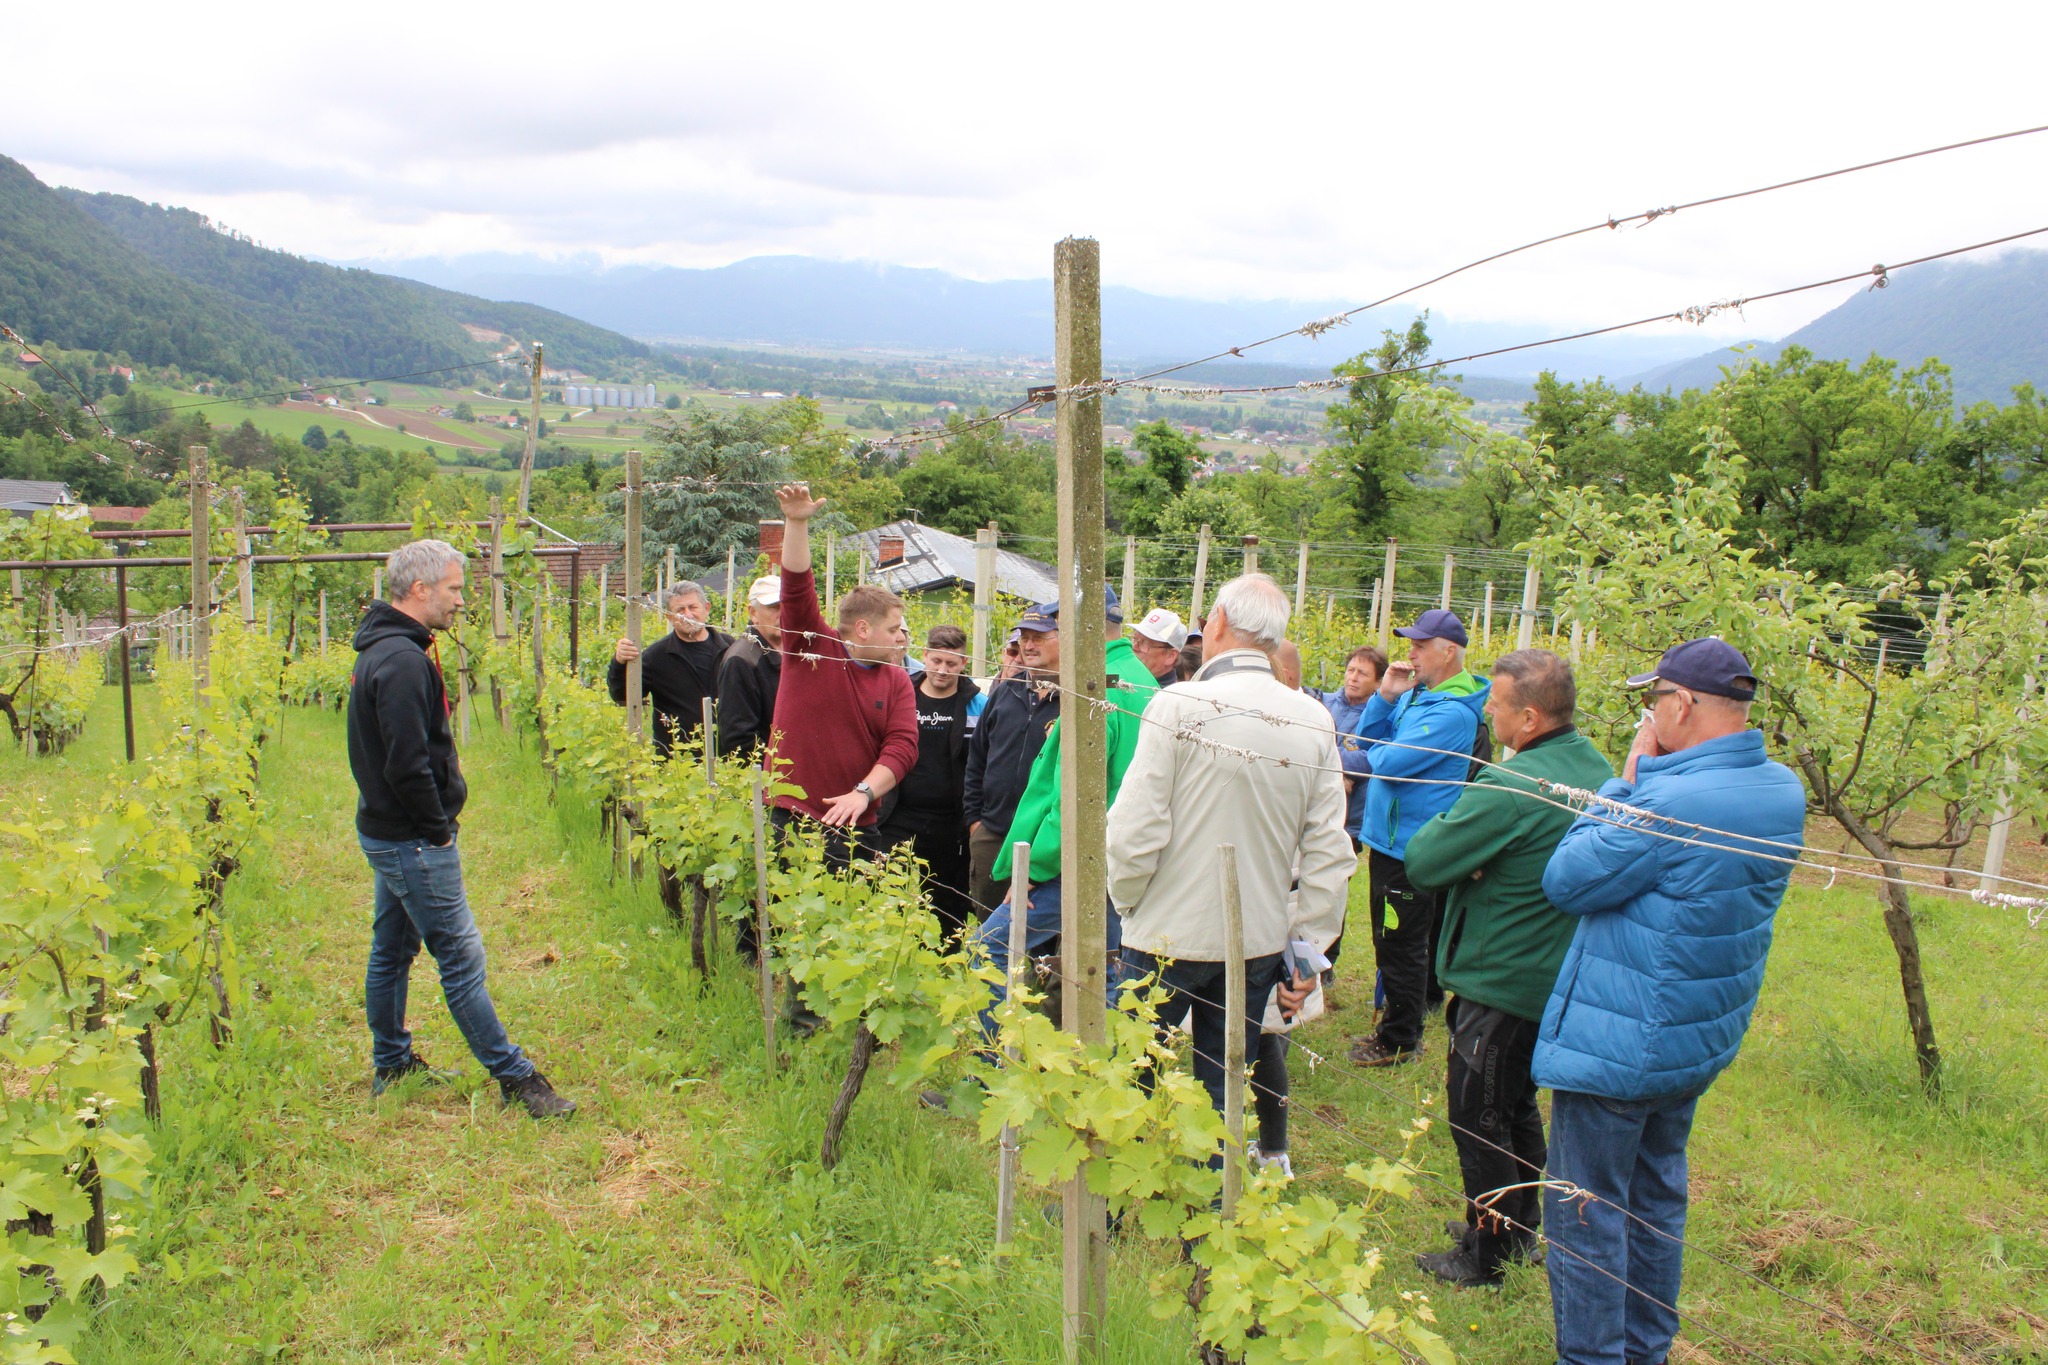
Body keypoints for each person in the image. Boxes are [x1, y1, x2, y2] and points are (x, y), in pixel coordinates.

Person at [1535, 639, 1803, 1365]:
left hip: (1619, 1042)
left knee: (1584, 1207)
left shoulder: (1667, 798)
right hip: (1694, 1034)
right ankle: (1646, 1346)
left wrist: (1625, 783)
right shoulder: (1781, 789)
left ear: (1681, 704)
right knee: (1655, 1198)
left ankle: (1592, 1356)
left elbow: (1567, 879)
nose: (1649, 715)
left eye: (1653, 700)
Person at [1107, 574, 1353, 1149]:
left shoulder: (1177, 704)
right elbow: (1327, 850)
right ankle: (1215, 1202)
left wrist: (1130, 902)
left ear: (1215, 622)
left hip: (1166, 931)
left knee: (1131, 1073)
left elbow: (1135, 827)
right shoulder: (1313, 719)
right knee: (1223, 1084)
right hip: (1258, 938)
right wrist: (1307, 947)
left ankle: (1113, 1205)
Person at [1398, 650, 1614, 1287]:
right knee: (1515, 1105)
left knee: (1478, 1113)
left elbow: (1427, 858)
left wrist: (1467, 850)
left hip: (1502, 972)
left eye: (1494, 703)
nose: (1485, 712)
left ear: (1528, 715)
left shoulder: (1511, 785)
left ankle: (1486, 1253)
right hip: (1552, 969)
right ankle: (1515, 1225)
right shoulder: (1594, 768)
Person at [347, 539, 575, 1119]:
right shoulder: (401, 662)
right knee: (460, 957)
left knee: (392, 950)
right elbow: (406, 763)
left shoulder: (385, 649)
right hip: (412, 838)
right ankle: (517, 1078)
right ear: (419, 589)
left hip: (388, 832)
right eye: (453, 589)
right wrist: (437, 828)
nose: (459, 602)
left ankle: (391, 1061)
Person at [767, 484, 920, 1028]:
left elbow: (901, 747)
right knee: (802, 924)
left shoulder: (899, 681)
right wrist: (797, 522)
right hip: (795, 817)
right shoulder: (811, 649)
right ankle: (801, 1026)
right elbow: (796, 587)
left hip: (858, 823)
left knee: (853, 924)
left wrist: (862, 793)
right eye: (896, 629)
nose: (905, 638)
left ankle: (854, 1026)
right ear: (862, 629)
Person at [975, 586, 1158, 1042]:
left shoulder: (1096, 689)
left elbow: (1073, 798)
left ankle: (996, 1070)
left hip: (1079, 860)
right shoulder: (1141, 681)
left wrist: (1032, 870)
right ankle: (1104, 1073)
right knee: (1110, 968)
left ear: (1082, 628)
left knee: (992, 949)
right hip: (1127, 856)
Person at [1349, 608, 1489, 1067]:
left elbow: (1387, 763)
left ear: (1449, 652)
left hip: (1411, 846)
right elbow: (1368, 744)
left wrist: (1373, 749)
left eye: (1420, 646)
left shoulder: (1450, 712)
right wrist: (1386, 697)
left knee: (1400, 941)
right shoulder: (1419, 696)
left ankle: (1400, 1039)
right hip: (1392, 840)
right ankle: (1398, 1024)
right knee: (1393, 937)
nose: (1410, 653)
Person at [877, 624, 982, 941]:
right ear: (924, 656)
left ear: (964, 663)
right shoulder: (900, 695)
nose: (942, 670)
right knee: (887, 895)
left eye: (952, 664)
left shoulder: (978, 705)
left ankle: (945, 967)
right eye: (936, 661)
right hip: (897, 817)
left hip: (951, 824)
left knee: (948, 904)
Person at [963, 620, 1060, 914]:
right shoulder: (1007, 692)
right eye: (1024, 638)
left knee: (1042, 939)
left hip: (1045, 840)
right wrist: (975, 820)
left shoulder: (1078, 699)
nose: (1028, 646)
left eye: (1039, 638)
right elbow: (977, 758)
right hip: (993, 833)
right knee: (991, 935)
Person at [609, 580, 734, 758]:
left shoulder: (731, 649)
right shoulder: (656, 657)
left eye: (693, 607)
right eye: (679, 610)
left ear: (707, 608)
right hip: (678, 763)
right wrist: (619, 662)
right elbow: (623, 695)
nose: (687, 615)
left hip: (729, 756)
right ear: (669, 616)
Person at [714, 575, 783, 762]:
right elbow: (738, 739)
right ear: (753, 613)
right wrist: (779, 767)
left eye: (788, 605)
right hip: (766, 778)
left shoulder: (797, 651)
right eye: (774, 607)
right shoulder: (742, 660)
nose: (783, 613)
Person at [1129, 607, 1188, 686]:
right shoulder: (1127, 676)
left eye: (1145, 643)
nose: (1134, 647)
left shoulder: (1169, 695)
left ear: (1171, 656)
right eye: (1134, 639)